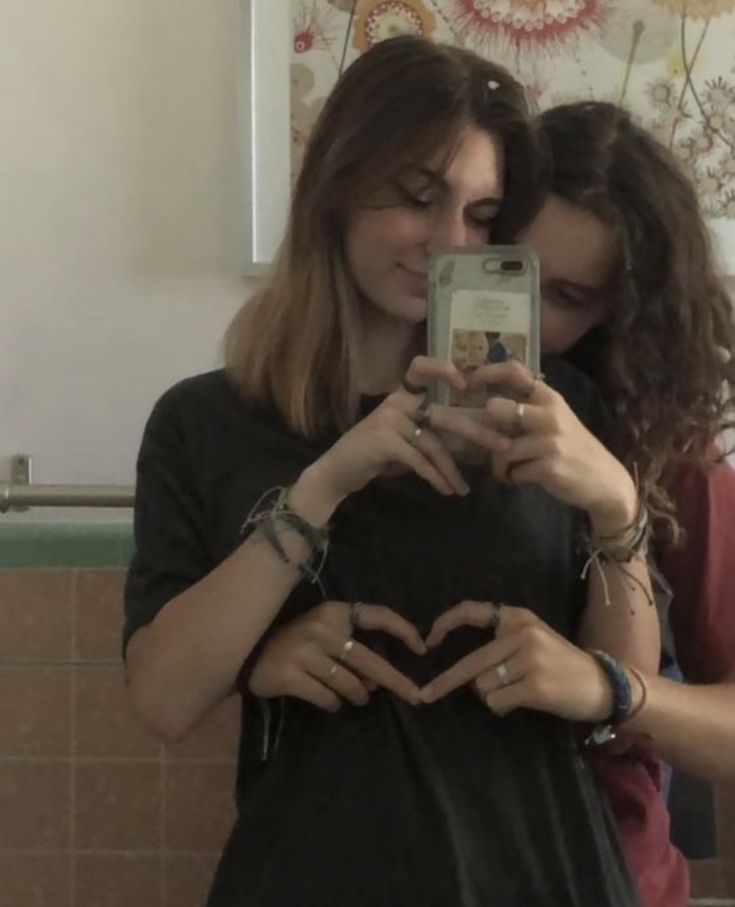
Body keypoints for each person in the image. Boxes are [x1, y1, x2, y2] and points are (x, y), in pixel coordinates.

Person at [123, 40, 660, 906]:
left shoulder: (551, 408)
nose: (449, 241)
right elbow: (162, 699)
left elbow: (618, 694)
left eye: (482, 216)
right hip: (308, 870)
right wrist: (322, 487)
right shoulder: (205, 422)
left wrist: (612, 504)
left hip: (540, 867)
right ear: (336, 184)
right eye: (418, 199)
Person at [515, 100, 735, 907]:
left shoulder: (666, 451)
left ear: (619, 313)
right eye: (507, 273)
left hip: (603, 872)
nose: (524, 326)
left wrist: (608, 689)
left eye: (566, 296)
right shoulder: (365, 413)